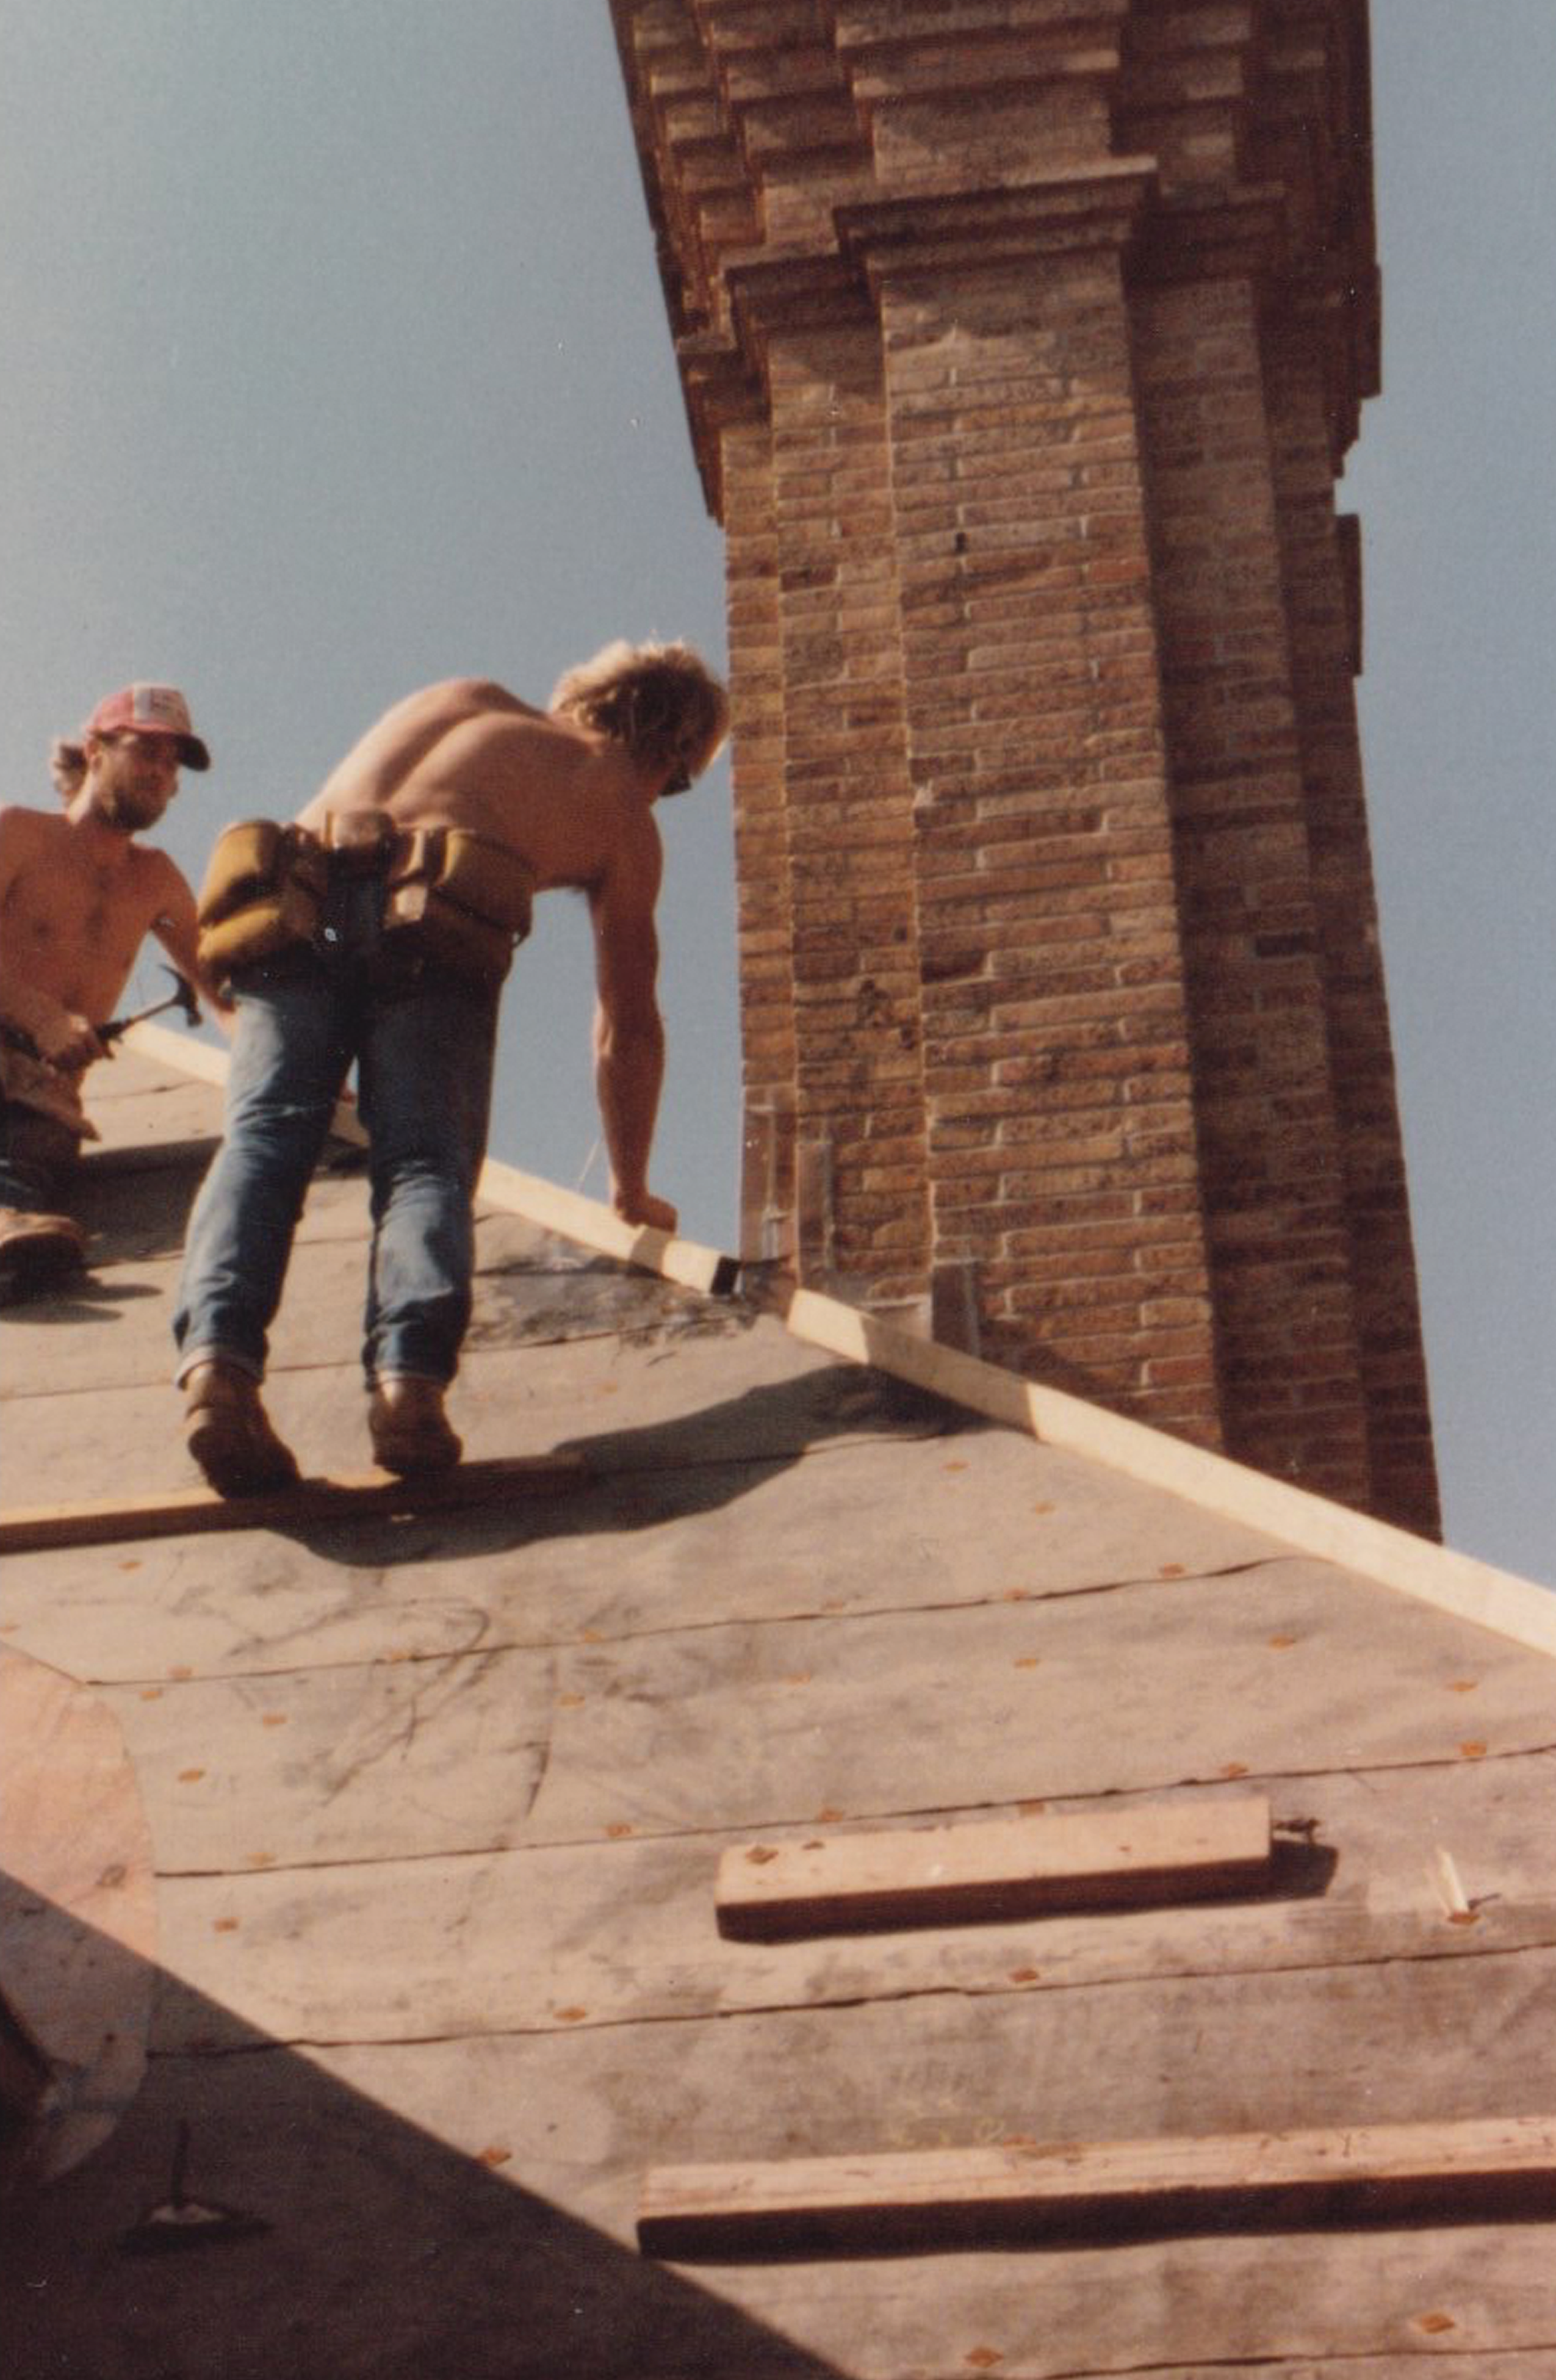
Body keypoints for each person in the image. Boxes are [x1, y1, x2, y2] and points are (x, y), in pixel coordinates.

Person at [173, 640, 729, 1495]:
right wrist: (631, 1186)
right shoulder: (623, 806)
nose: (667, 793)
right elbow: (628, 1024)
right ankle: (408, 1387)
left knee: (263, 1137)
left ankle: (217, 1370)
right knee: (424, 1162)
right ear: (670, 751)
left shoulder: (460, 695)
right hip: (429, 928)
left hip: (293, 906)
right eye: (682, 780)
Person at [0, 684, 224, 1294]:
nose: (161, 773)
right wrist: (43, 1017)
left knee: (36, 1151)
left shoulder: (155, 882)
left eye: (173, 762)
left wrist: (305, 1067)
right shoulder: (17, 833)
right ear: (96, 751)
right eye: (146, 751)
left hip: (41, 1107)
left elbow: (222, 989)